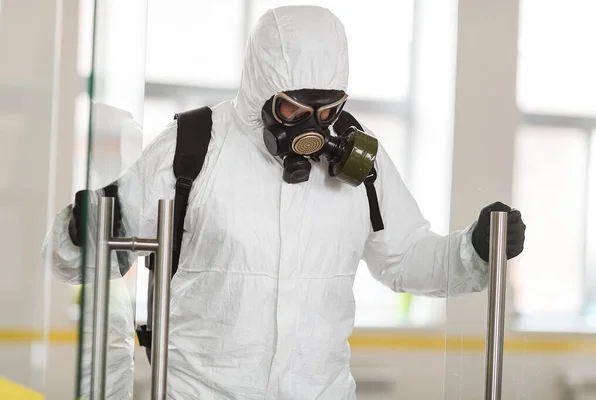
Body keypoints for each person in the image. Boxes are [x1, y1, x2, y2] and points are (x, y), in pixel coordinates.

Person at [43, 5, 526, 399]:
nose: (311, 128)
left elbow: (406, 259)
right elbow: (90, 256)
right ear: (261, 88)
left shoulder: (360, 158)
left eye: (327, 108)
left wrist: (476, 248)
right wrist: (79, 230)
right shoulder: (195, 144)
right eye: (293, 107)